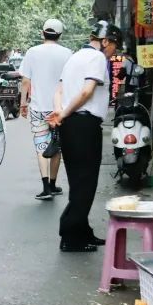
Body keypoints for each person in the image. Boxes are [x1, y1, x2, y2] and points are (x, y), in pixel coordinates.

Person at [49, 21, 123, 253]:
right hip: (83, 123)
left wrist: (60, 112)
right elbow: (86, 91)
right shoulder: (97, 58)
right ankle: (71, 235)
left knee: (78, 181)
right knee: (86, 181)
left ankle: (82, 230)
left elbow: (59, 90)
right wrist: (66, 113)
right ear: (105, 41)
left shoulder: (75, 57)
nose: (113, 52)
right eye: (114, 46)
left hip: (71, 123)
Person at [20, 19, 73, 201]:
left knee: (41, 145)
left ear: (42, 33)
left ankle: (45, 187)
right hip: (60, 109)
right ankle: (52, 183)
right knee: (56, 145)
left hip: (38, 107)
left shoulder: (32, 52)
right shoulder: (68, 54)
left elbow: (26, 81)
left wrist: (23, 103)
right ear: (60, 35)